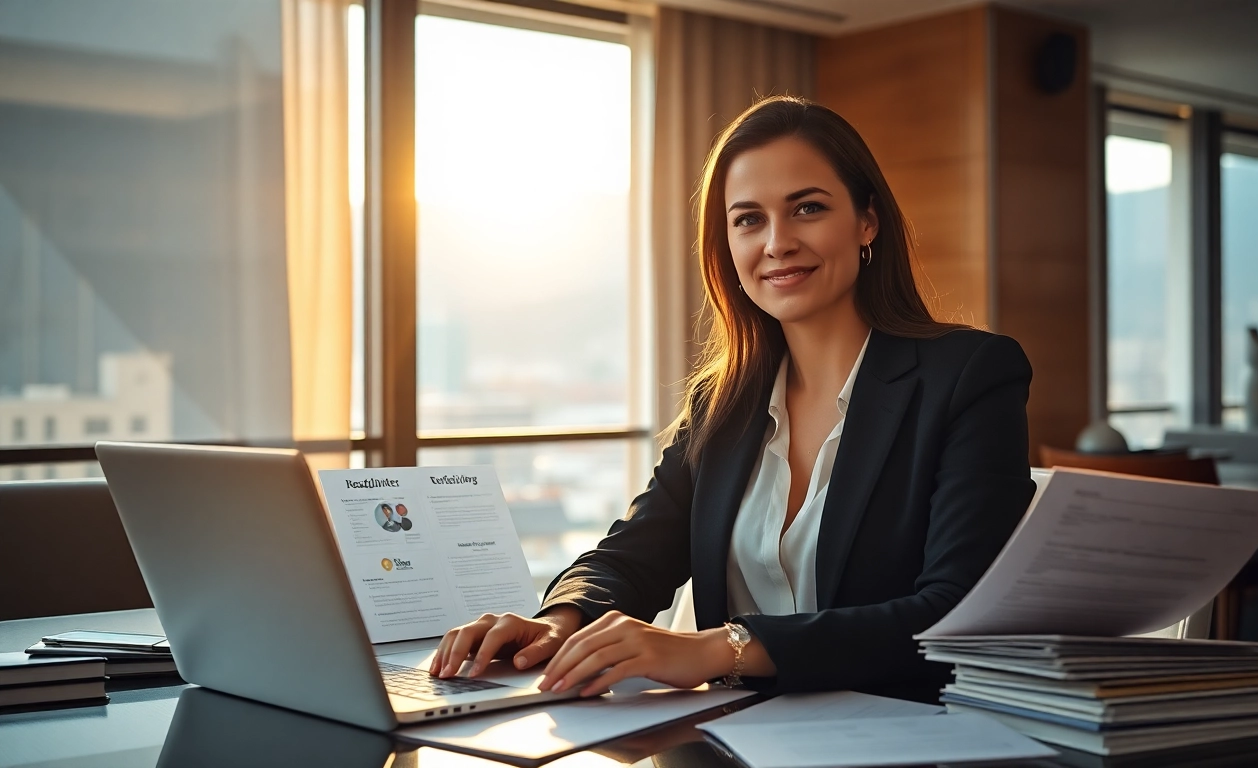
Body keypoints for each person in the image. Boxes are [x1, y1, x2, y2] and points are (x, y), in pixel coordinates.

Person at [428, 96, 1035, 702]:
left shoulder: (969, 375)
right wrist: (557, 626)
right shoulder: (724, 403)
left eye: (808, 208)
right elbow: (634, 554)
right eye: (749, 219)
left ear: (866, 221)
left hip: (904, 735)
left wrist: (720, 648)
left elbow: (954, 610)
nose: (777, 242)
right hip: (733, 740)